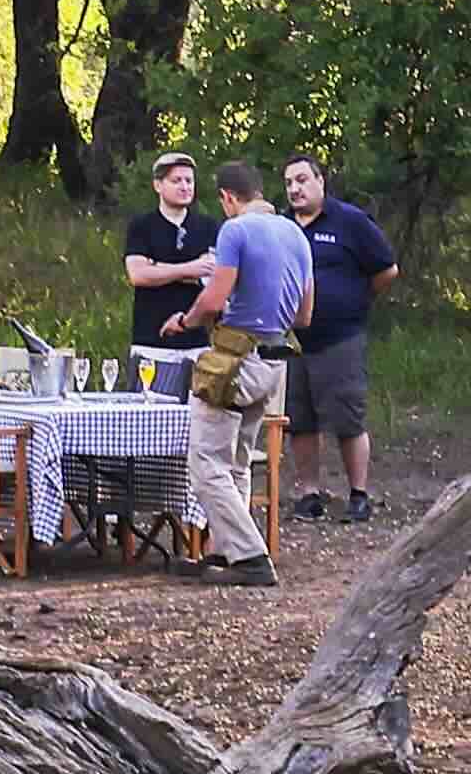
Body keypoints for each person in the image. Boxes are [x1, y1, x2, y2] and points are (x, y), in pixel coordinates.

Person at [176, 177, 301, 581]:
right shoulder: (296, 233)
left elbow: (213, 299)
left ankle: (250, 557)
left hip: (236, 360)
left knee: (206, 462)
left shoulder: (235, 229)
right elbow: (305, 315)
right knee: (238, 461)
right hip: (275, 359)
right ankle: (229, 551)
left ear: (228, 198)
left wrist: (185, 321)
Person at [273, 152, 397, 521]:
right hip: (291, 341)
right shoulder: (281, 227)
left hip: (340, 337)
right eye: (289, 183)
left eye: (302, 180)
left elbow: (386, 269)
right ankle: (310, 493)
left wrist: (356, 299)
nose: (295, 189)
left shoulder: (349, 221)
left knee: (347, 418)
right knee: (299, 420)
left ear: (320, 181)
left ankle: (358, 494)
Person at [118, 150, 225, 368]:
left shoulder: (209, 227)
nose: (185, 187)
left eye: (189, 181)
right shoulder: (142, 226)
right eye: (176, 181)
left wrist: (159, 267)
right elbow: (138, 275)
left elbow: (213, 278)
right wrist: (190, 269)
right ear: (158, 185)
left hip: (197, 346)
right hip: (151, 344)